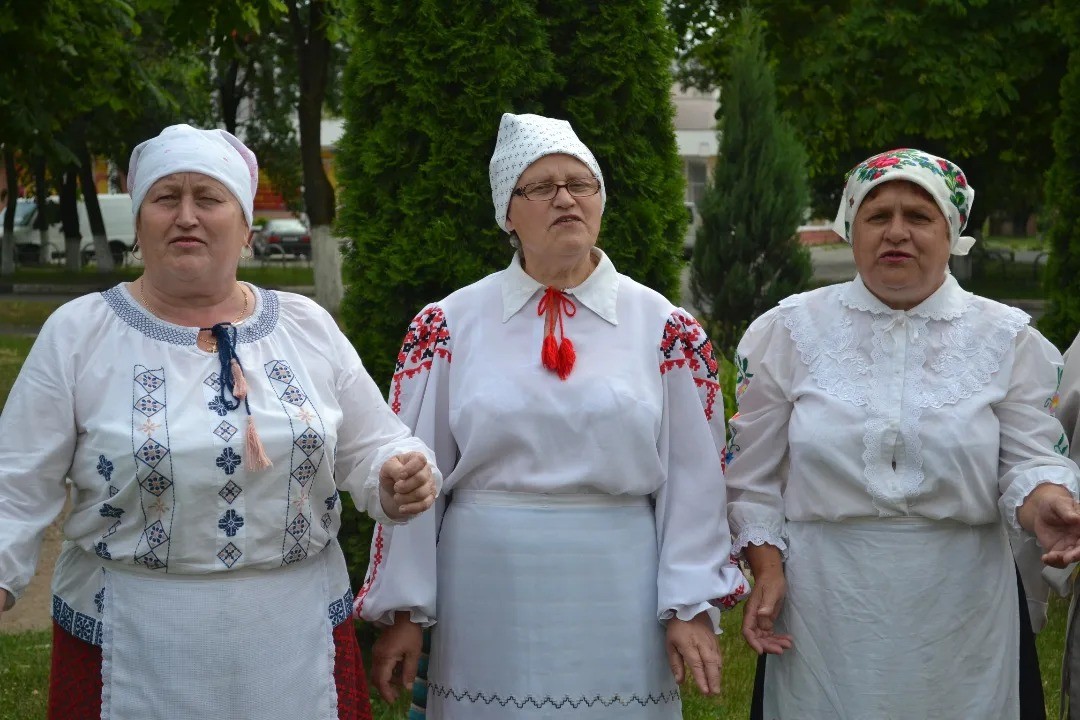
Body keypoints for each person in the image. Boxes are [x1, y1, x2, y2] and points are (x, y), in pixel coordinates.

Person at [0, 124, 441, 720]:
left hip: (296, 635)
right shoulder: (79, 333)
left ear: (246, 228)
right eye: (166, 197)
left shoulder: (305, 325)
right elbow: (15, 480)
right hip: (129, 637)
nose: (186, 216)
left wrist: (394, 475)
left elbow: (373, 444)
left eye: (208, 198)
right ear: (139, 225)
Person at [354, 112, 748, 719]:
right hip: (488, 590)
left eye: (580, 183)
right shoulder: (449, 325)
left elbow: (695, 479)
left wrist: (690, 603)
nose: (565, 198)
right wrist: (405, 611)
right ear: (507, 214)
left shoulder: (664, 329)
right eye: (540, 187)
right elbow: (414, 473)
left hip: (618, 586)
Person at [726, 147, 1080, 719]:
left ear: (952, 233)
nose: (896, 233)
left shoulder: (1008, 339)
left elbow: (1029, 459)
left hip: (962, 602)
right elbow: (750, 475)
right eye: (877, 216)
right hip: (826, 601)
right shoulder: (788, 332)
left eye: (918, 216)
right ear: (851, 228)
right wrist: (767, 567)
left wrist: (1047, 503)